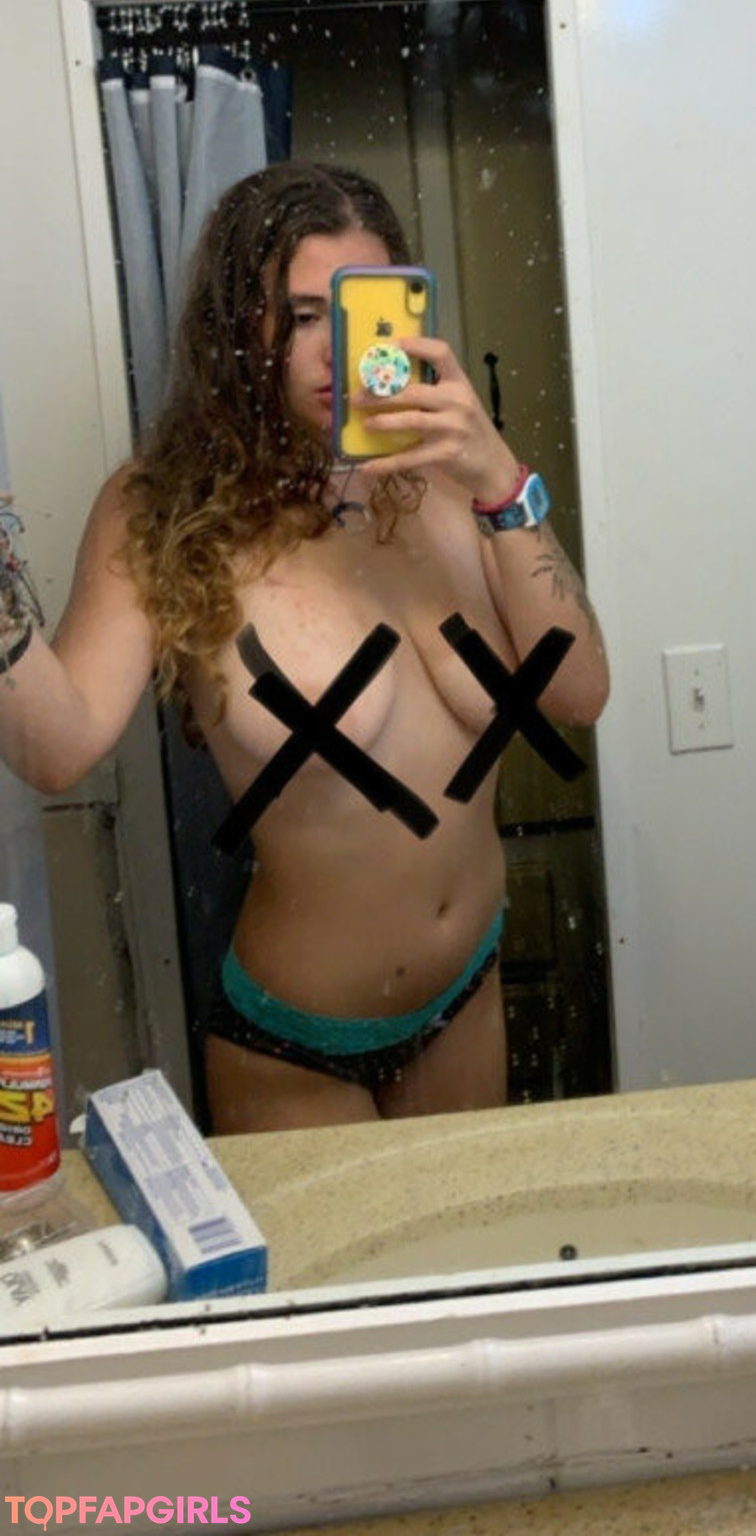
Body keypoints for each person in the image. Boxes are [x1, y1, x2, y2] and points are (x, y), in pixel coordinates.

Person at [0, 164, 609, 1132]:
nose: (335, 349)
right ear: (237, 326)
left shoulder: (455, 472)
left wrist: (499, 474)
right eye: (300, 315)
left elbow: (579, 692)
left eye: (358, 310)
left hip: (469, 991)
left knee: (471, 1235)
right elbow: (58, 748)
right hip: (296, 1045)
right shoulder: (164, 506)